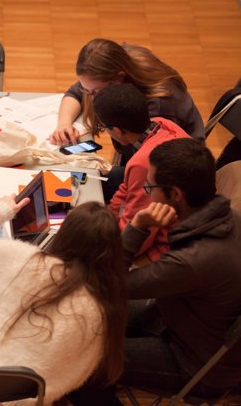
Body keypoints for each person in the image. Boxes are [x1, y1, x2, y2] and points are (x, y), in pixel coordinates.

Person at [77, 138, 241, 404]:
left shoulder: (192, 261)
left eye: (150, 187)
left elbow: (108, 284)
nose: (146, 192)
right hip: (188, 320)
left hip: (194, 362)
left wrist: (138, 225)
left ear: (175, 194)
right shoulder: (229, 215)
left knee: (80, 361)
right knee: (90, 310)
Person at [0, 198, 127, 405]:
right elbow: (76, 373)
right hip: (32, 397)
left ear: (65, 234)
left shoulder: (25, 262)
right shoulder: (102, 308)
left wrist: (1, 209)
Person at [93, 83, 190, 261]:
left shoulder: (143, 164)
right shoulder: (163, 124)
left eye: (104, 127)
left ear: (118, 130)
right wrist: (107, 217)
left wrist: (103, 237)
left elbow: (140, 233)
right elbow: (126, 187)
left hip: (169, 247)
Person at [50, 38, 204, 146]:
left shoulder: (156, 106)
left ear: (119, 78)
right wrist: (64, 124)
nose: (91, 98)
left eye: (96, 92)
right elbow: (75, 93)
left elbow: (142, 157)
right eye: (87, 90)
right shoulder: (115, 66)